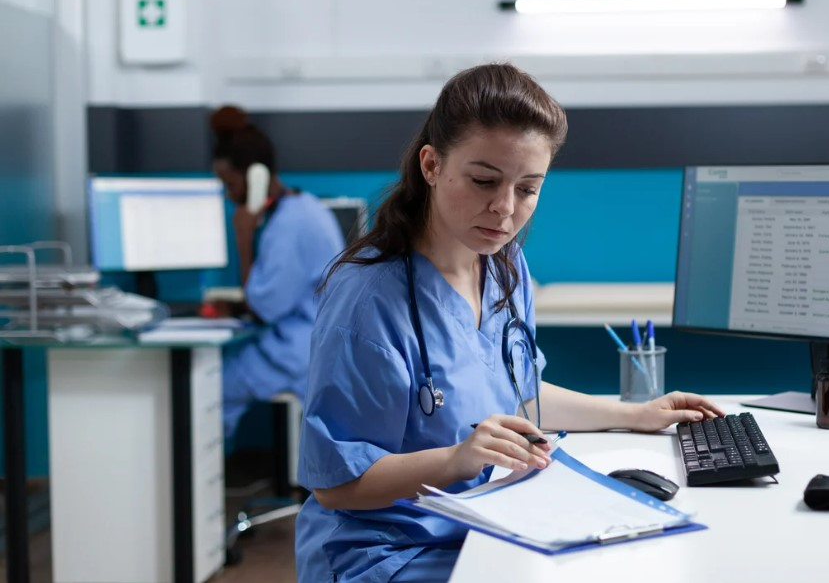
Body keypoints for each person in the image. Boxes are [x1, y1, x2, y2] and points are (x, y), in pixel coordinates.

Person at [295, 64, 723, 582]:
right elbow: (336, 484)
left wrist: (634, 414)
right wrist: (457, 459)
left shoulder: (504, 267)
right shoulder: (368, 301)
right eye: (484, 181)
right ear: (431, 165)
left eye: (527, 189)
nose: (504, 209)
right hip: (389, 550)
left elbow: (517, 396)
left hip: (485, 523)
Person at [210, 106, 347, 438]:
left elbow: (262, 307)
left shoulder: (287, 226)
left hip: (298, 352)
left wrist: (243, 236)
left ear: (255, 176)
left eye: (230, 185)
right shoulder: (306, 207)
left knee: (207, 390)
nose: (230, 196)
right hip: (312, 342)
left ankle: (201, 485)